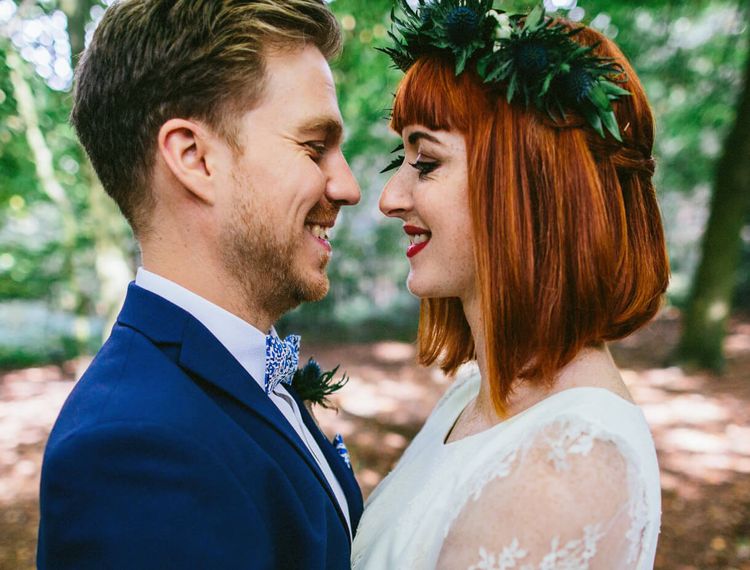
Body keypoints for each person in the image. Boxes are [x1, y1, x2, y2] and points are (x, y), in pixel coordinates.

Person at [37, 1, 362, 568]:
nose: (348, 187)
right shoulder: (130, 453)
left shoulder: (237, 371)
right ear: (194, 158)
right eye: (315, 147)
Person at [352, 2, 668, 569]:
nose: (389, 198)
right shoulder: (470, 397)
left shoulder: (568, 465)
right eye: (402, 158)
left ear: (531, 182)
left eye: (426, 161)